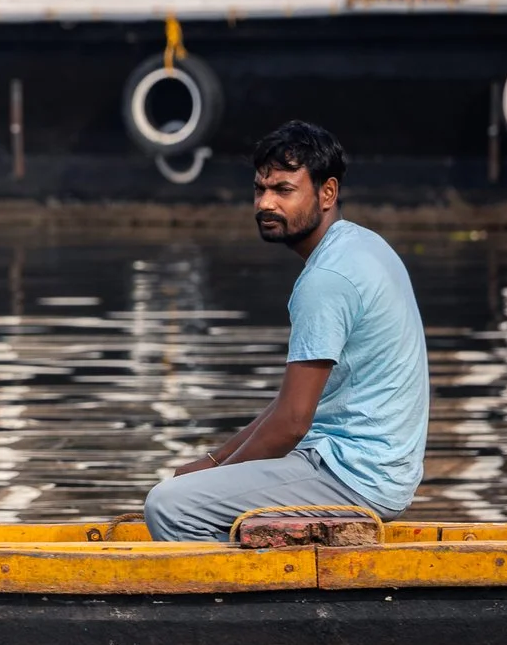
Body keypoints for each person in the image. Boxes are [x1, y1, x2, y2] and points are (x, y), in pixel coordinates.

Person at [143, 121, 428, 542]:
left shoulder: (327, 278)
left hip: (355, 477)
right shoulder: (363, 246)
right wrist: (213, 462)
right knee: (189, 488)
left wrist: (203, 481)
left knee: (169, 505)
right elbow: (288, 409)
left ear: (327, 193)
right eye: (260, 189)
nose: (266, 204)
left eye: (283, 190)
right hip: (366, 466)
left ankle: (244, 603)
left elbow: (293, 423)